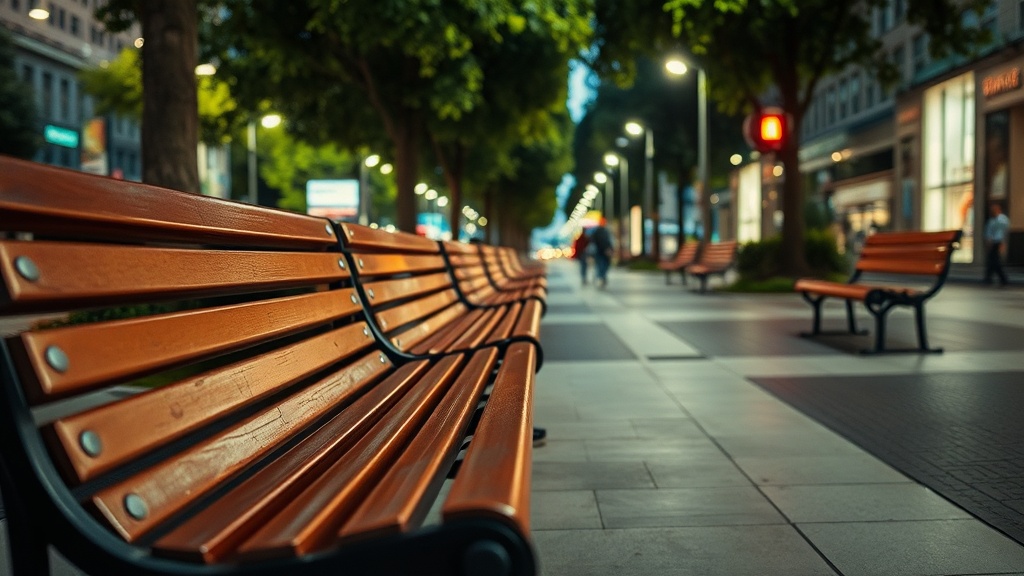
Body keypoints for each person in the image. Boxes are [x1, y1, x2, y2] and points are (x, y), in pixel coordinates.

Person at [984, 201, 1010, 286]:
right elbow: (989, 232)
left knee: (995, 261)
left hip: (997, 242)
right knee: (992, 261)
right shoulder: (992, 220)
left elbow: (1002, 232)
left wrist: (1002, 244)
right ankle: (989, 278)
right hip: (993, 242)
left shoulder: (1002, 220)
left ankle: (1002, 278)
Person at [589, 219, 614, 288]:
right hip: (604, 251)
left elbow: (592, 242)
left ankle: (601, 276)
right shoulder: (605, 232)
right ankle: (601, 276)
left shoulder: (597, 232)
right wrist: (609, 249)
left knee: (601, 265)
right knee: (604, 265)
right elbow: (608, 242)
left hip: (600, 251)